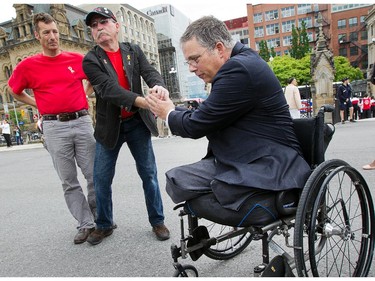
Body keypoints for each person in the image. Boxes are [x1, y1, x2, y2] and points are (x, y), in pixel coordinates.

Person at [146, 16, 311, 212]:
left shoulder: (238, 69)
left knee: (184, 182)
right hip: (246, 155)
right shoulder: (240, 63)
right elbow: (208, 113)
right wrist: (172, 108)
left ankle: (233, 193)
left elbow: (196, 125)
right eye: (188, 62)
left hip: (270, 164)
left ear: (219, 48)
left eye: (195, 59)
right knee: (177, 179)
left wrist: (168, 113)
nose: (191, 68)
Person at [82, 7, 170, 245]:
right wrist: (144, 101)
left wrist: (159, 87)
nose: (98, 28)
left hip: (136, 123)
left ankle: (157, 221)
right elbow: (108, 90)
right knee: (101, 178)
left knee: (149, 174)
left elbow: (150, 72)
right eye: (94, 26)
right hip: (109, 127)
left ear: (116, 25)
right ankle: (104, 225)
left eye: (103, 22)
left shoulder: (133, 50)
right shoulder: (91, 60)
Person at [7, 12, 97, 244]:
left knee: (94, 174)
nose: (52, 36)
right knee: (69, 180)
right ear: (37, 35)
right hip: (54, 126)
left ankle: (100, 217)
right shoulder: (27, 66)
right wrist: (36, 102)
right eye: (46, 32)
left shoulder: (76, 59)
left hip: (82, 121)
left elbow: (95, 79)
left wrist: (84, 95)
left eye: (55, 31)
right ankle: (85, 223)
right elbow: (14, 91)